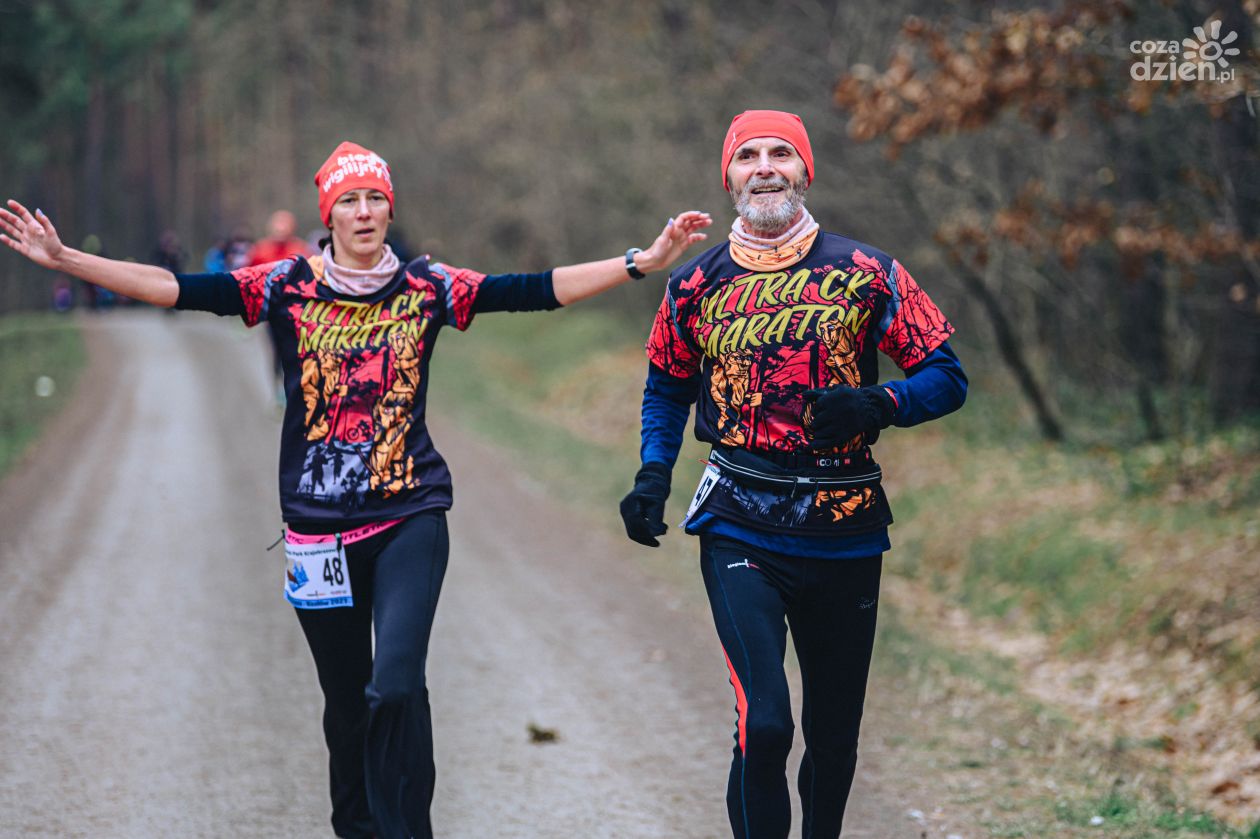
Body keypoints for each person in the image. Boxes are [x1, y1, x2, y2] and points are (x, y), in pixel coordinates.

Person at [0, 139, 712, 839]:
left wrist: (638, 264)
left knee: (396, 684)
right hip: (318, 531)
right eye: (351, 200)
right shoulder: (283, 286)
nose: (366, 211)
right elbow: (174, 289)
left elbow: (530, 290)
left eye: (376, 198)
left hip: (410, 513)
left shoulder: (429, 286)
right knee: (348, 705)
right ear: (329, 214)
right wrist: (66, 260)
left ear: (389, 209)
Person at [619, 110, 966, 839]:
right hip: (740, 518)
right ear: (730, 176)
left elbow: (947, 375)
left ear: (806, 172)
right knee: (768, 723)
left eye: (782, 153)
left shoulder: (867, 271)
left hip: (846, 526)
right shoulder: (693, 284)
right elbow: (665, 386)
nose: (766, 166)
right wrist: (654, 472)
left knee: (834, 740)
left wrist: (881, 400)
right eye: (748, 155)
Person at [247, 209, 314, 266]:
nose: (281, 228)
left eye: (285, 223)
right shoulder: (259, 250)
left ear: (293, 227)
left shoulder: (301, 250)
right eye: (279, 223)